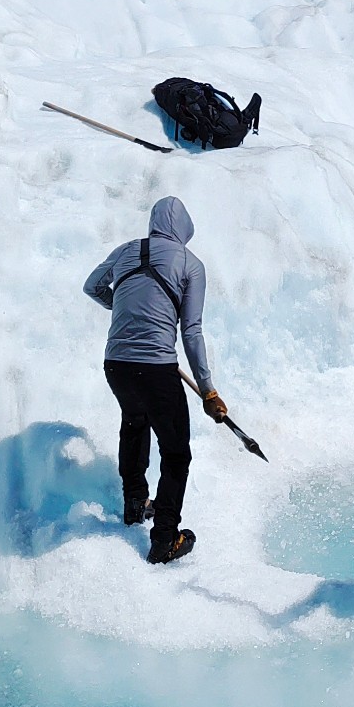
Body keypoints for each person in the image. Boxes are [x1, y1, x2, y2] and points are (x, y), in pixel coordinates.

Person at [84, 197, 227, 565]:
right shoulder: (190, 264)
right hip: (157, 368)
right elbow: (191, 331)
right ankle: (165, 539)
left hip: (116, 364)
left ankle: (135, 505)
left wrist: (122, 305)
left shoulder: (127, 249)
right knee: (176, 453)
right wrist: (208, 389)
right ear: (185, 229)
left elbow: (92, 286)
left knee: (134, 423)